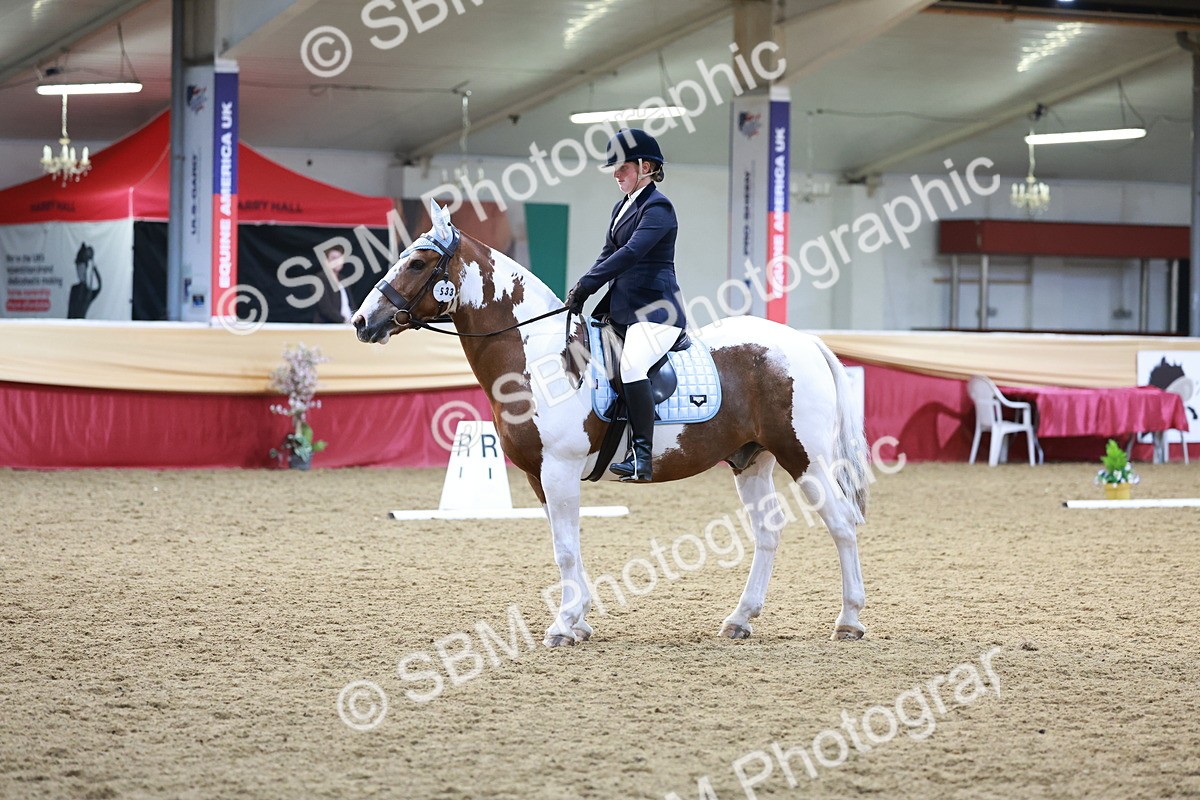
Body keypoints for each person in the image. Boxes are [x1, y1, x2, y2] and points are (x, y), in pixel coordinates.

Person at [566, 128, 688, 483]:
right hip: (621, 311)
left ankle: (641, 456)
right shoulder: (621, 207)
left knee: (632, 366)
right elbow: (608, 253)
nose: (616, 175)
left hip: (656, 311)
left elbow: (631, 253)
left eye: (622, 168)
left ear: (645, 167)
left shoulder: (658, 207)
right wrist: (581, 288)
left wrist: (590, 284)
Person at [312, 244, 353, 323]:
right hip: (328, 326)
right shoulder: (319, 279)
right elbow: (325, 308)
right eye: (334, 258)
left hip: (347, 325)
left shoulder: (343, 279)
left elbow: (351, 304)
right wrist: (344, 320)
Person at [67, 243, 102, 319]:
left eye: (82, 269)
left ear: (85, 269)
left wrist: (94, 268)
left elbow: (99, 287)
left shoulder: (88, 292)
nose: (79, 272)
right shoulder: (74, 289)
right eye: (78, 269)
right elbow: (70, 312)